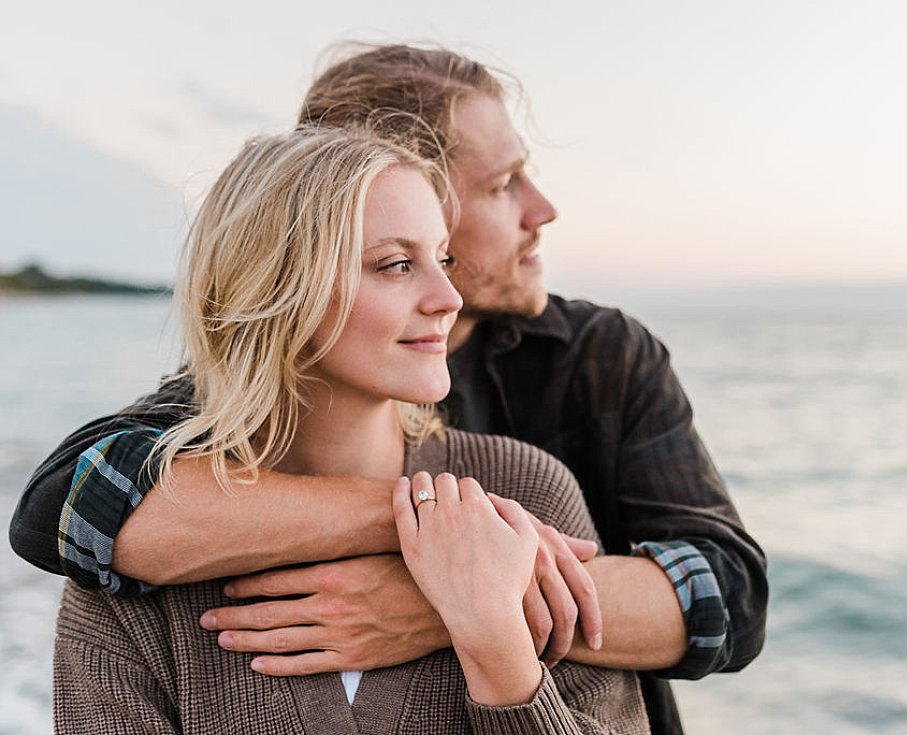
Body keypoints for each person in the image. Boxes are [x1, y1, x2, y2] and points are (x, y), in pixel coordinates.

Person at [11, 45, 767, 735]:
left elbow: (730, 599)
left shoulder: (596, 365)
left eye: (431, 255)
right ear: (288, 277)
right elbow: (71, 508)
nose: (542, 210)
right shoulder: (182, 478)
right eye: (502, 183)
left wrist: (467, 605)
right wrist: (440, 526)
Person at [54, 125, 651, 734]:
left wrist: (496, 646)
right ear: (277, 289)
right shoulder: (145, 550)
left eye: (441, 259)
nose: (448, 296)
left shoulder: (529, 490)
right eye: (395, 265)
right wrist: (420, 525)